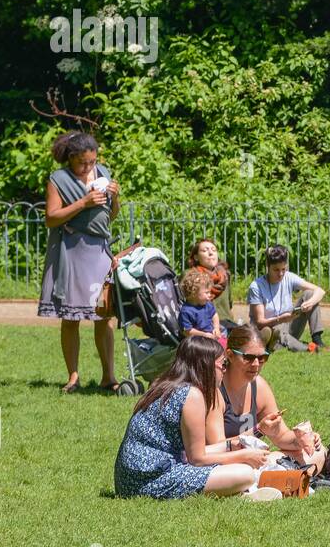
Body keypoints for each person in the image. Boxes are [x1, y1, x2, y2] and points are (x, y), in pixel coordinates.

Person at [114, 336, 269, 499]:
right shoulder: (192, 395)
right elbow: (197, 459)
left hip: (131, 479)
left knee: (238, 468)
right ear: (206, 366)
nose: (225, 369)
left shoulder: (167, 385)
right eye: (222, 364)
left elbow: (193, 452)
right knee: (244, 473)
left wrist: (231, 445)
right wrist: (244, 456)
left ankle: (237, 492)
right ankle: (240, 492)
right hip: (150, 480)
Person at [38, 130, 120, 393]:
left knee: (103, 314)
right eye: (83, 162)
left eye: (92, 162)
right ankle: (73, 376)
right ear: (71, 158)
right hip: (71, 250)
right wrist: (83, 203)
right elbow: (51, 218)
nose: (88, 167)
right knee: (71, 317)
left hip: (99, 251)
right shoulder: (58, 179)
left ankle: (109, 376)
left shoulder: (103, 173)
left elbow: (110, 216)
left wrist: (115, 197)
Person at [209, 324, 329, 476]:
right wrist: (259, 430)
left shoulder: (259, 387)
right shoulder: (216, 390)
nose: (256, 364)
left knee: (319, 453)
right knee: (268, 463)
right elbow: (216, 448)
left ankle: (282, 478)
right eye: (248, 357)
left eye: (262, 357)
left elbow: (282, 437)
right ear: (230, 355)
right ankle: (289, 478)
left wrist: (303, 439)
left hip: (254, 462)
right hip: (225, 465)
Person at [246, 244, 327, 353]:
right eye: (276, 270)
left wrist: (309, 303)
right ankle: (307, 348)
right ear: (267, 266)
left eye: (283, 269)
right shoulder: (256, 286)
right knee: (275, 331)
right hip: (269, 328)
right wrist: (280, 319)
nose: (281, 274)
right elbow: (260, 322)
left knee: (309, 294)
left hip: (288, 325)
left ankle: (317, 341)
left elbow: (320, 291)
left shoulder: (288, 277)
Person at [186, 238, 232, 325]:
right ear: (196, 257)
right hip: (204, 324)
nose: (211, 253)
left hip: (227, 322)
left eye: (214, 250)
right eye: (205, 250)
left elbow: (230, 304)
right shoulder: (190, 275)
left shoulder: (225, 275)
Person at [178, 270, 222, 342]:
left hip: (210, 337)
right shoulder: (186, 311)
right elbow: (187, 331)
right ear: (194, 293)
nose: (210, 295)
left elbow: (214, 314)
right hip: (195, 342)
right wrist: (204, 335)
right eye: (207, 292)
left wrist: (216, 328)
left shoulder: (207, 304)